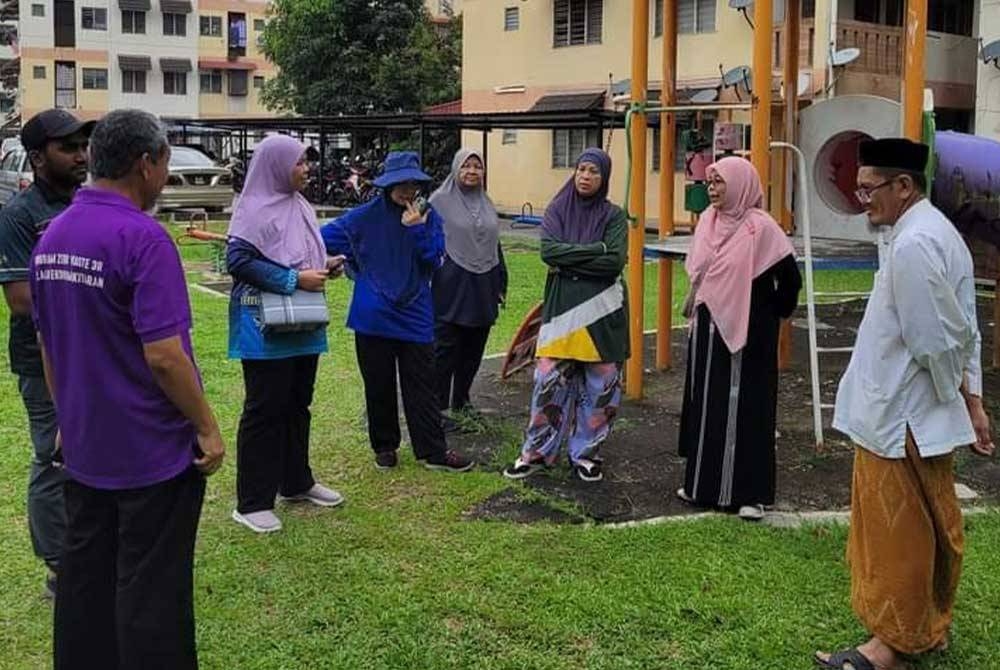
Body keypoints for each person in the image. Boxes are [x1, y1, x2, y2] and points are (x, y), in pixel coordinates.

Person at [30, 109, 225, 669]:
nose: (164, 177)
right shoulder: (143, 238)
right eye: (164, 165)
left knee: (85, 583)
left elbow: (50, 344)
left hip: (87, 447)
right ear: (146, 164)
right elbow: (165, 357)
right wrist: (207, 427)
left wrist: (67, 419)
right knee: (151, 593)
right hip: (150, 455)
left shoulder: (55, 234)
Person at [815, 138, 994, 670]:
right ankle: (927, 629)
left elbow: (935, 340)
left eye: (869, 188)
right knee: (933, 526)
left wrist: (951, 397)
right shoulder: (928, 233)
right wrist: (971, 401)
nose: (860, 197)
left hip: (900, 415)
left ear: (903, 186)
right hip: (912, 411)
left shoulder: (916, 243)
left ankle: (888, 647)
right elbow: (966, 331)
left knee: (900, 534)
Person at [321, 151, 473, 472]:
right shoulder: (362, 217)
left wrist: (416, 229)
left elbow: (434, 261)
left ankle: (432, 450)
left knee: (422, 385)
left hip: (415, 313)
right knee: (378, 384)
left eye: (412, 184)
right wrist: (341, 259)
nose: (406, 191)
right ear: (386, 185)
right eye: (399, 184)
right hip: (372, 316)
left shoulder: (429, 217)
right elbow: (320, 239)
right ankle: (385, 446)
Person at [227, 134, 344, 534]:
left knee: (298, 403)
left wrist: (325, 264)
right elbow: (238, 261)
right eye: (299, 162)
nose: (306, 168)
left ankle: (296, 481)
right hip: (264, 324)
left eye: (306, 162)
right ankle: (252, 501)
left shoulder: (301, 205)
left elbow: (295, 251)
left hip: (301, 318)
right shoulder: (253, 209)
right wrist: (295, 277)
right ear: (276, 165)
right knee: (264, 409)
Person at [675, 156, 801, 520]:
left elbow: (790, 279)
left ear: (741, 185)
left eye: (720, 183)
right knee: (707, 402)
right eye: (710, 183)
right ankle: (701, 486)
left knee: (748, 406)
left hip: (751, 332)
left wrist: (774, 312)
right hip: (709, 328)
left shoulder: (761, 228)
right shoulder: (707, 224)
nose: (713, 190)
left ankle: (750, 493)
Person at [0, 108, 93, 597]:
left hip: (92, 354)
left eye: (83, 146)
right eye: (68, 148)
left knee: (91, 447)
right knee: (54, 454)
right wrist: (95, 305)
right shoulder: (20, 215)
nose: (81, 156)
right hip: (43, 359)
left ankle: (90, 547)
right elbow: (20, 300)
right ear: (37, 157)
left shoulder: (89, 202)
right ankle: (59, 564)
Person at [502, 148, 627, 483]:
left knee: (601, 388)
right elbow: (548, 252)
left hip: (604, 313)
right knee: (548, 381)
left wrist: (571, 259)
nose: (585, 176)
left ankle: (586, 455)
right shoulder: (557, 209)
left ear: (604, 179)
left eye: (594, 172)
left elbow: (614, 261)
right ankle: (537, 453)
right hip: (562, 314)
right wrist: (595, 250)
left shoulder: (614, 216)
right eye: (581, 169)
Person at [429, 148, 507, 429]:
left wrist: (501, 281)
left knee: (474, 346)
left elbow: (494, 244)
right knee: (445, 347)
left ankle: (462, 400)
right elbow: (424, 240)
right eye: (466, 166)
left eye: (477, 166)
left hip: (483, 282)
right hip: (450, 283)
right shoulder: (438, 202)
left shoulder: (486, 202)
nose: (472, 171)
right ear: (455, 169)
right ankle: (436, 409)